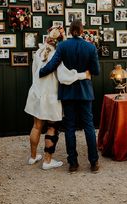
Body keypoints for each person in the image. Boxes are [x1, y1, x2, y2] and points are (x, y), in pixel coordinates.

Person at [25, 26, 90, 170]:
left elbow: (35, 72)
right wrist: (83, 75)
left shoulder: (39, 52)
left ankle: (33, 156)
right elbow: (64, 77)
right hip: (51, 96)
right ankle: (47, 161)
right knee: (52, 127)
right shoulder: (58, 55)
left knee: (36, 126)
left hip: (36, 93)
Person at [39, 20, 100, 173]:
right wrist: (85, 72)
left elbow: (52, 65)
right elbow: (96, 70)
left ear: (70, 30)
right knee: (89, 127)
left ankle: (73, 164)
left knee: (70, 128)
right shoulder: (90, 47)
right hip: (85, 92)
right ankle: (94, 163)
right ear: (82, 30)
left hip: (67, 92)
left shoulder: (63, 46)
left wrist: (39, 73)